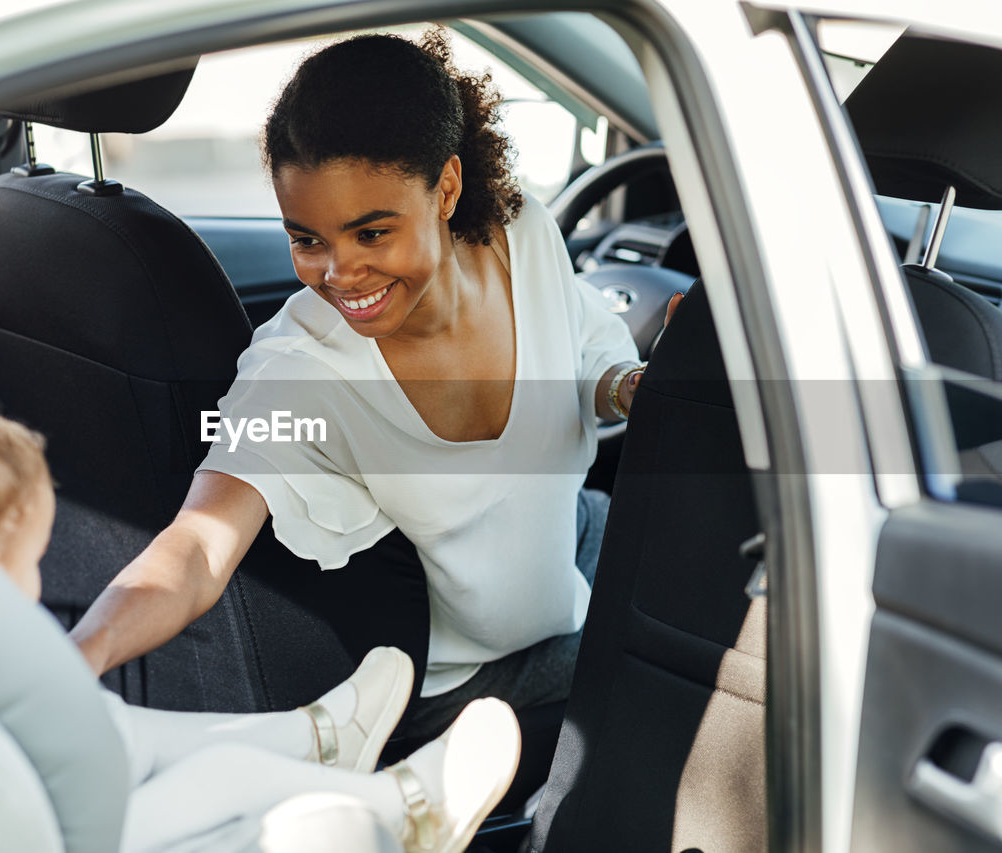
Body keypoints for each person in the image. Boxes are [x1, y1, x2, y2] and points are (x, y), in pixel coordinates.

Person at [70, 29, 662, 740]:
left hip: (567, 563)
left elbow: (586, 353)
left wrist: (629, 387)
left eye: (372, 233)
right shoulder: (302, 373)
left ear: (446, 188)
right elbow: (197, 547)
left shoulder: (521, 232)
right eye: (307, 239)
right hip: (475, 681)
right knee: (710, 654)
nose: (338, 274)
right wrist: (80, 655)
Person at [0, 388, 520, 853]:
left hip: (22, 811)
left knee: (112, 720)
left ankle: (317, 741)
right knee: (220, 775)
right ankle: (413, 811)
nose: (39, 580)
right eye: (33, 560)